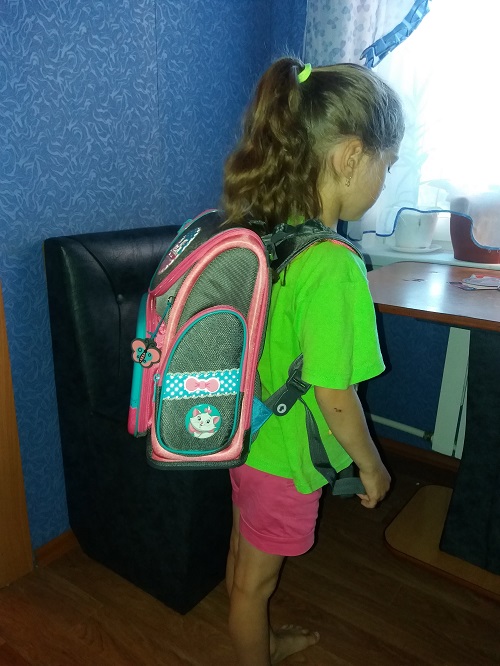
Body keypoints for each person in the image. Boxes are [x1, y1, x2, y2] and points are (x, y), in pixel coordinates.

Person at [222, 57, 405, 666]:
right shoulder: (332, 266)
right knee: (255, 585)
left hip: (246, 438)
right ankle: (256, 653)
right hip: (283, 462)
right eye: (387, 164)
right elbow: (334, 394)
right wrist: (372, 466)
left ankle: (261, 641)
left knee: (243, 562)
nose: (386, 179)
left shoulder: (267, 234)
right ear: (351, 157)